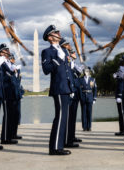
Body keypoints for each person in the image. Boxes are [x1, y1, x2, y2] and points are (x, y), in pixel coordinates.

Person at [41, 25, 74, 155]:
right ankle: (55, 148)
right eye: (56, 32)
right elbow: (46, 70)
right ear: (50, 37)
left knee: (63, 118)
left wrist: (71, 87)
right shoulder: (47, 52)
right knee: (60, 117)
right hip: (59, 88)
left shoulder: (64, 51)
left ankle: (59, 145)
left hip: (66, 88)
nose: (59, 34)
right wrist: (57, 59)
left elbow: (68, 72)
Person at [0, 44, 18, 145]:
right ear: (1, 52)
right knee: (7, 115)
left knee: (10, 114)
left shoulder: (6, 63)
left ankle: (9, 136)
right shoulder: (1, 62)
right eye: (6, 51)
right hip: (5, 91)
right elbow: (3, 77)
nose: (8, 52)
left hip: (10, 91)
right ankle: (5, 137)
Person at [65, 49, 83, 146]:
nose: (75, 53)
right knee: (70, 117)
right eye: (73, 52)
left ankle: (72, 136)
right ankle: (68, 139)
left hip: (76, 92)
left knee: (73, 117)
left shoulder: (73, 64)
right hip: (71, 92)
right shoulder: (68, 64)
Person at [113, 58, 124, 136]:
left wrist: (119, 95)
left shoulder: (122, 70)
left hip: (121, 95)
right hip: (120, 94)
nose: (119, 62)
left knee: (122, 113)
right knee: (121, 113)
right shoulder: (121, 69)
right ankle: (122, 129)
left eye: (120, 61)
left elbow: (122, 84)